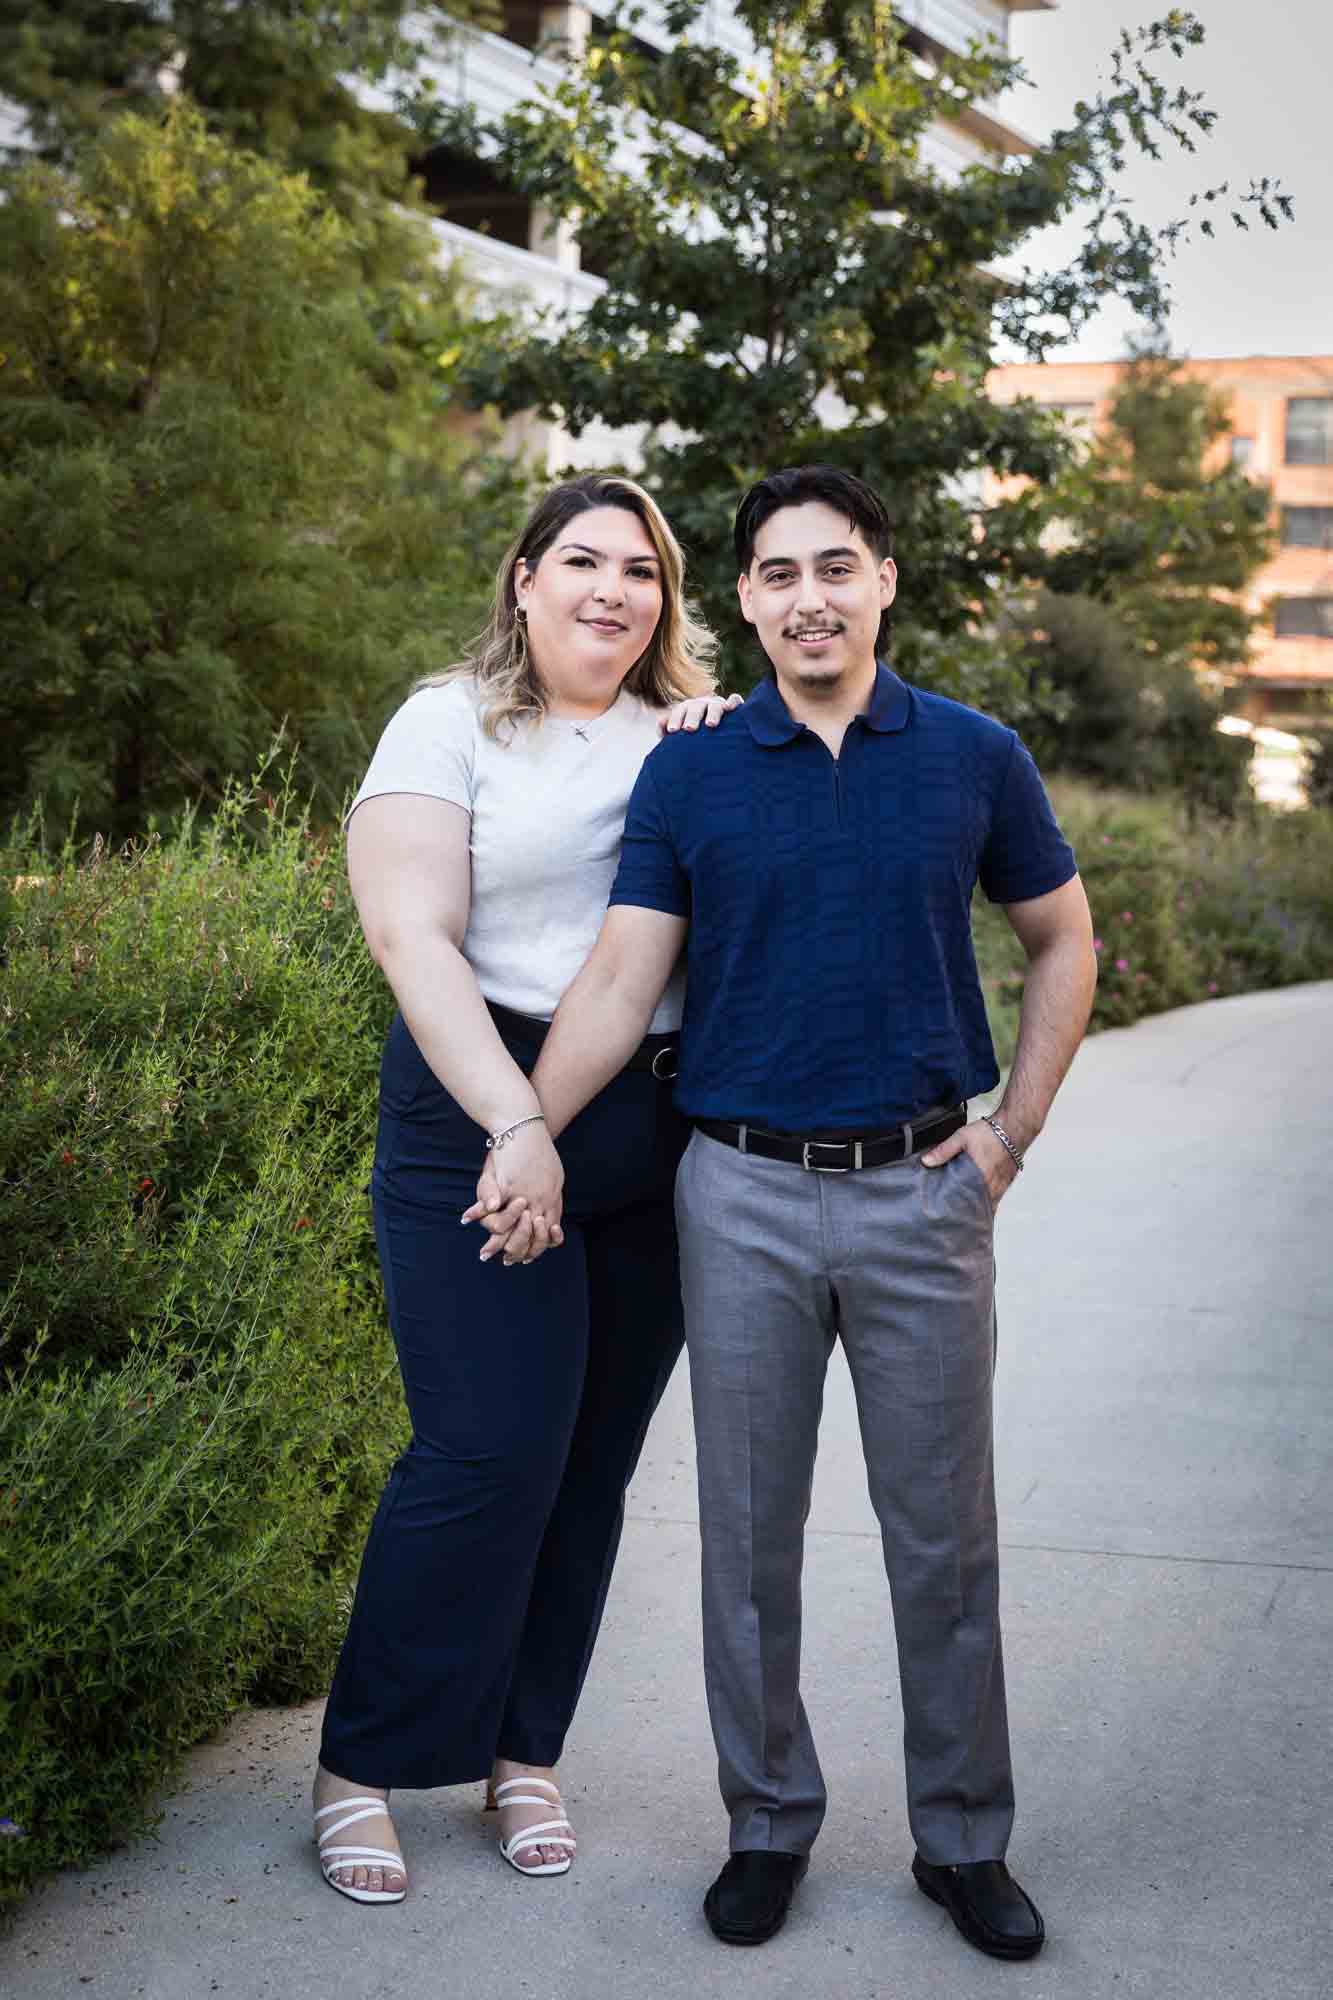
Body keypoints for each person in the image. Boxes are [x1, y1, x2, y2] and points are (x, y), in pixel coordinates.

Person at [470, 465, 1097, 1959]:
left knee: (940, 1543)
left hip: (919, 1193)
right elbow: (622, 977)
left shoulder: (971, 754)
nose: (807, 597)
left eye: (835, 567)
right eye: (775, 573)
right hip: (735, 1192)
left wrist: (1010, 1134)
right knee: (743, 1540)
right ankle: (766, 1825)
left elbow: (1063, 940)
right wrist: (522, 1130)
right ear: (742, 598)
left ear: (884, 579)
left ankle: (961, 1844)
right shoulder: (688, 767)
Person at [313, 472, 737, 1905]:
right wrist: (514, 1121)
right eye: (582, 561)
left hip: (654, 1123)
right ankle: (359, 1767)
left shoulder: (688, 739)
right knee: (484, 1448)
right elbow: (410, 934)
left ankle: (520, 1752)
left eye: (641, 571)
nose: (613, 590)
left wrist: (718, 745)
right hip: (474, 1099)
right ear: (523, 578)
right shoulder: (448, 720)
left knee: (586, 1465)